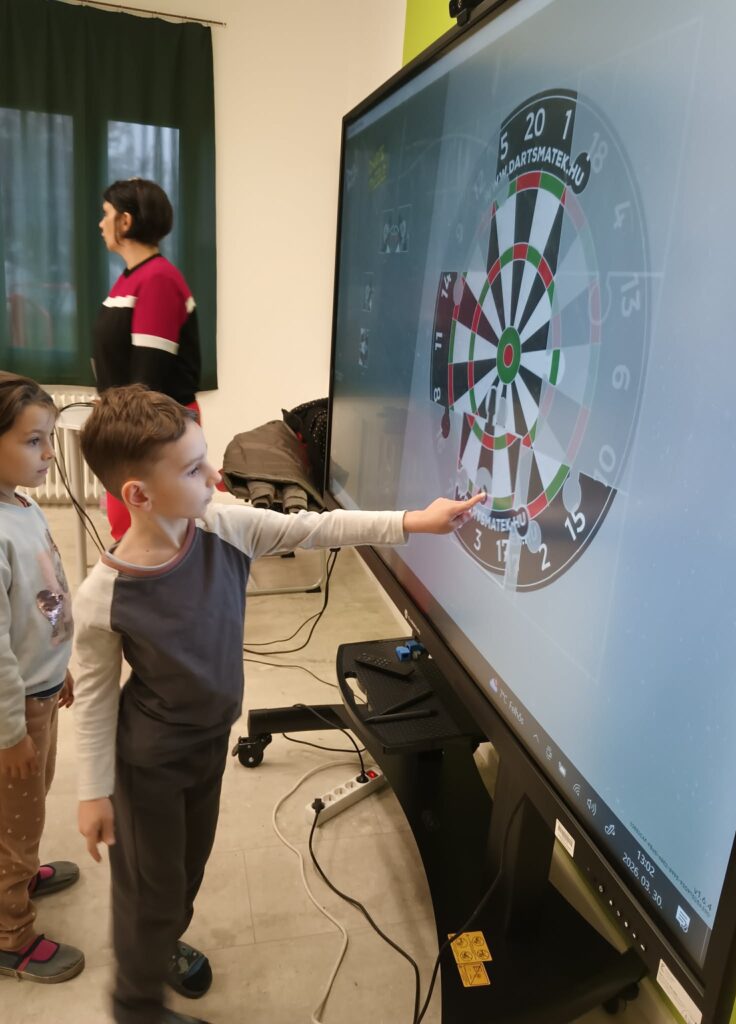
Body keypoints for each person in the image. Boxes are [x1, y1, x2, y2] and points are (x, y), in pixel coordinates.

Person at [72, 384, 485, 1024]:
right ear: (139, 496)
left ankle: (162, 941)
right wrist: (94, 791)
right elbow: (97, 699)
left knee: (184, 874)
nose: (216, 476)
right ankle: (136, 1006)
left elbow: (316, 526)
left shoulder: (228, 528)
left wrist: (412, 521)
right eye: (193, 469)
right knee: (149, 892)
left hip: (208, 747)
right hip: (147, 765)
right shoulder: (103, 595)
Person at [0, 372, 83, 984]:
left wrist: (59, 668)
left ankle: (21, 873)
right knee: (15, 821)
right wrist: (10, 735)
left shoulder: (22, 507)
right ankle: (10, 936)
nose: (49, 454)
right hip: (15, 711)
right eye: (34, 441)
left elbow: (41, 603)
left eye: (50, 439)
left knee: (28, 805)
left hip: (41, 691)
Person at [92, 178, 202, 542]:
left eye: (106, 214)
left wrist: (119, 427)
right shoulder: (131, 278)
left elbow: (147, 381)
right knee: (129, 534)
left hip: (153, 431)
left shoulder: (157, 280)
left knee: (149, 539)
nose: (101, 223)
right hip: (131, 426)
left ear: (125, 221)